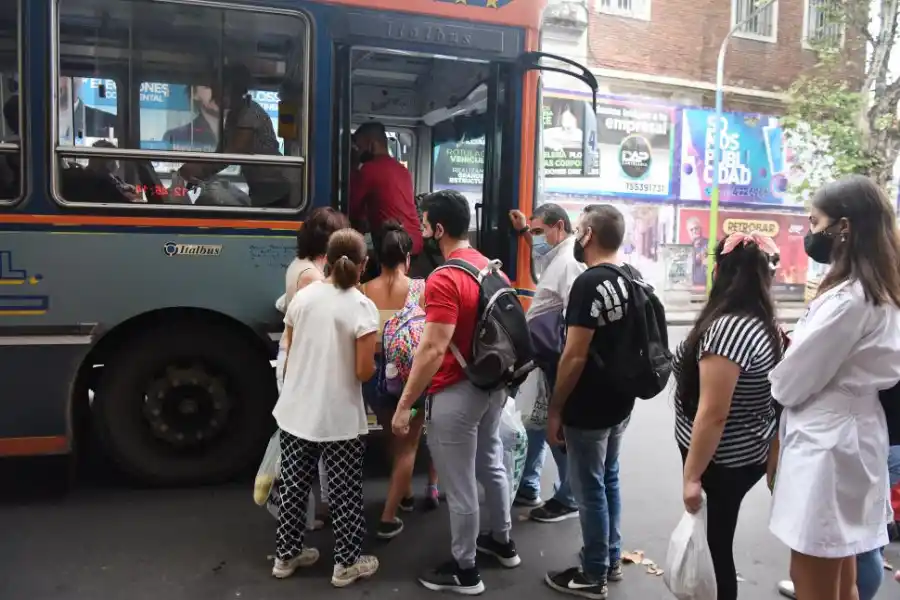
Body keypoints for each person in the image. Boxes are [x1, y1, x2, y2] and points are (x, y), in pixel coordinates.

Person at [768, 175, 900, 600]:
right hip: (854, 437)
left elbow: (789, 383)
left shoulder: (849, 300)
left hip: (828, 446)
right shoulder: (881, 290)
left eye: (815, 221)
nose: (811, 232)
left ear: (844, 227)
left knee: (813, 572)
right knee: (843, 569)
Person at [390, 189, 518, 595]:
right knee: (491, 464)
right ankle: (502, 542)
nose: (421, 229)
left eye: (424, 222)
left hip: (456, 393)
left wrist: (405, 405)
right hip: (493, 386)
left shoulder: (445, 278)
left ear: (438, 228)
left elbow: (432, 348)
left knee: (459, 485)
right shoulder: (491, 268)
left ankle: (465, 571)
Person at [674, 231, 783, 600]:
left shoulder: (729, 328)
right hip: (742, 452)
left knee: (715, 546)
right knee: (716, 540)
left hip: (722, 461)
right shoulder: (761, 321)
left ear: (719, 269)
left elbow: (713, 413)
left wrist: (691, 476)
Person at [272, 228, 380, 587]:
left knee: (294, 486)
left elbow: (290, 352)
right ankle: (346, 564)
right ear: (363, 265)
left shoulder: (303, 298)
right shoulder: (362, 307)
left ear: (327, 261)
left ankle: (286, 557)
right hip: (339, 417)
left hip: (296, 410)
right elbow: (363, 371)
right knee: (345, 491)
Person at [543, 205, 639, 600]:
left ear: (589, 235)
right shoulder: (632, 277)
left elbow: (575, 355)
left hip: (589, 404)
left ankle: (592, 572)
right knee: (609, 477)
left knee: (589, 488)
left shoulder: (590, 284)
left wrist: (556, 407)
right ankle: (611, 558)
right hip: (620, 401)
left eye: (580, 229)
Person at [361, 221, 440, 539]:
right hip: (411, 377)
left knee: (393, 440)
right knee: (410, 445)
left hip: (378, 377)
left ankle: (403, 493)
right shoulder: (421, 289)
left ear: (379, 258)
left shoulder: (364, 291)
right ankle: (388, 515)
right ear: (408, 259)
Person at [275, 207, 350, 528]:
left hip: (294, 358)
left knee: (310, 442)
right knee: (313, 444)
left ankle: (318, 508)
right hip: (304, 362)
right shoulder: (311, 276)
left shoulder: (300, 266)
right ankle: (302, 518)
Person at [508, 205, 583, 523]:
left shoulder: (569, 263)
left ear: (560, 227)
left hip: (554, 357)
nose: (536, 239)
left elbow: (572, 315)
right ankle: (527, 485)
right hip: (542, 356)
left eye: (540, 232)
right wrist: (526, 231)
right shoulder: (557, 255)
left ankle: (569, 496)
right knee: (534, 421)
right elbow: (540, 259)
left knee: (556, 428)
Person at [178, 64, 291, 207]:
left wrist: (202, 169)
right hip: (259, 189)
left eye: (217, 90)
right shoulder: (233, 116)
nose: (214, 97)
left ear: (230, 90)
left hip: (274, 190)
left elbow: (235, 151)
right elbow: (221, 153)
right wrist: (198, 170)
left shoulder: (250, 112)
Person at [349, 122, 423, 276]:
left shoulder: (368, 170)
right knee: (409, 292)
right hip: (414, 244)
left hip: (393, 246)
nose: (358, 152)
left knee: (383, 287)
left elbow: (353, 211)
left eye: (359, 147)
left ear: (371, 145)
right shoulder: (402, 170)